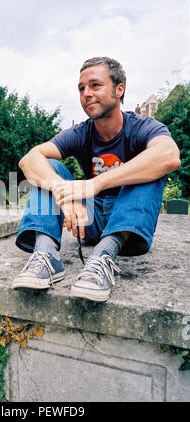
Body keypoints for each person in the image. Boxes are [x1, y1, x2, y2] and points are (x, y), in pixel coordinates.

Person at [11, 56, 181, 302]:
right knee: (48, 167)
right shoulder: (81, 132)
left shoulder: (144, 126)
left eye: (95, 85)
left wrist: (94, 184)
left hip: (127, 226)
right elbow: (29, 159)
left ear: (119, 89)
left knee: (153, 168)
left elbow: (169, 155)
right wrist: (64, 193)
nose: (86, 93)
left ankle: (102, 258)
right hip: (89, 219)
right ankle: (46, 256)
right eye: (81, 88)